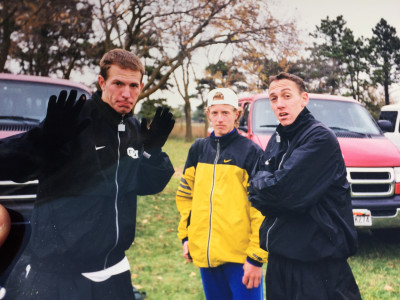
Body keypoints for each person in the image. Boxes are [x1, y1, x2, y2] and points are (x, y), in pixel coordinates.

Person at [0, 48, 175, 299]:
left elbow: (147, 183)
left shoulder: (132, 128)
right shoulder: (75, 123)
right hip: (62, 274)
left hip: (113, 268)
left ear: (141, 86)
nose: (126, 93)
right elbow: (12, 165)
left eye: (133, 85)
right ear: (102, 82)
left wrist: (153, 150)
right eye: (118, 83)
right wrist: (45, 139)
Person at [249, 72, 361, 300]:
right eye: (273, 98)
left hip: (316, 263)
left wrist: (265, 186)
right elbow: (254, 190)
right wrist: (264, 187)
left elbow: (284, 195)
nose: (280, 104)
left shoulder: (319, 138)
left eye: (286, 95)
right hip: (280, 259)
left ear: (304, 98)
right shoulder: (278, 137)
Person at [176, 88, 268, 300]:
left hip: (241, 259)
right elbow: (185, 196)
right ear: (208, 113)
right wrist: (186, 236)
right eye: (215, 113)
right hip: (207, 258)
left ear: (236, 114)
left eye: (226, 113)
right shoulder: (198, 149)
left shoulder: (251, 152)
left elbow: (261, 209)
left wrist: (256, 257)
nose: (219, 119)